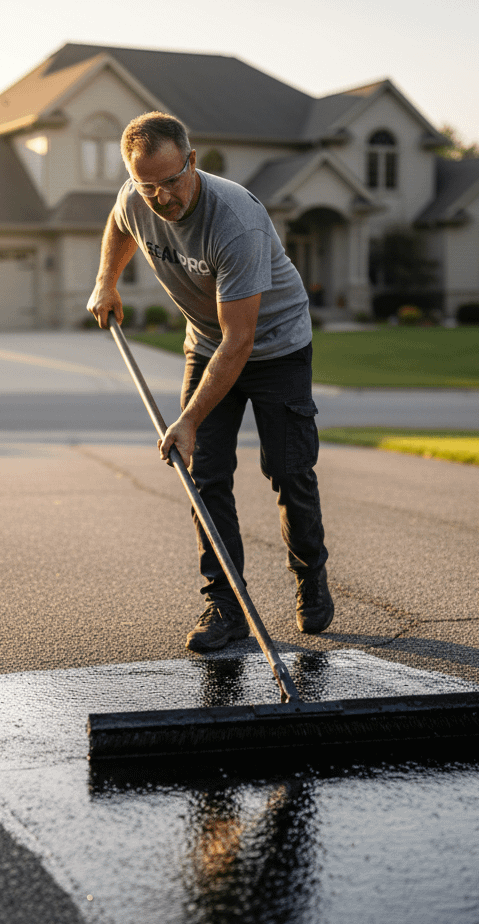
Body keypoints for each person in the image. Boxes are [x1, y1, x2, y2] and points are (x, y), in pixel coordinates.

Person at [88, 111, 332, 652]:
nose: (163, 197)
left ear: (192, 162)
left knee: (289, 471)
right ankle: (226, 605)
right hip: (207, 345)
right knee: (204, 476)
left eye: (172, 181)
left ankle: (310, 576)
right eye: (148, 185)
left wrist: (189, 419)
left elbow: (240, 341)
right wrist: (107, 281)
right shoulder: (137, 197)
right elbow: (119, 223)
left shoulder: (235, 221)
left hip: (275, 347)